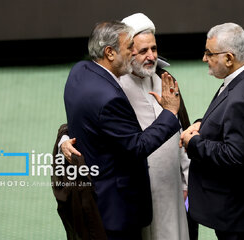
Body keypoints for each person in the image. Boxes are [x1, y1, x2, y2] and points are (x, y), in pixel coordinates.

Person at [59, 13, 191, 240]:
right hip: (133, 196)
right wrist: (64, 140)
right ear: (113, 52)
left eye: (154, 48)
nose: (150, 56)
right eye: (138, 50)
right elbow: (88, 121)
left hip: (170, 190)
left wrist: (186, 180)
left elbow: (181, 134)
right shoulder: (114, 87)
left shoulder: (164, 80)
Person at [180, 23, 244, 240]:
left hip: (240, 213)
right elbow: (230, 121)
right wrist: (202, 124)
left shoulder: (241, 97)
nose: (204, 59)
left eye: (209, 53)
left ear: (228, 58)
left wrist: (194, 143)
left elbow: (234, 155)